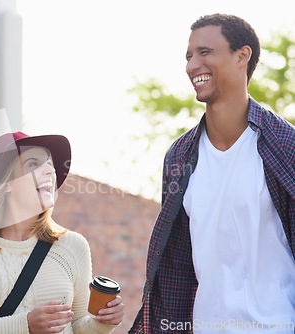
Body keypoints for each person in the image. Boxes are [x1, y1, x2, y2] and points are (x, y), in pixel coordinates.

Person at [130, 13, 295, 334]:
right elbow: (178, 262)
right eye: (189, 56)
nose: (192, 65)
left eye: (205, 53)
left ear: (241, 56)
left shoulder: (286, 145)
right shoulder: (179, 156)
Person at [0, 131, 125, 333]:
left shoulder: (74, 246)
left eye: (50, 164)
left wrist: (103, 322)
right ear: (7, 184)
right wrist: (25, 325)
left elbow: (78, 326)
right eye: (33, 164)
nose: (50, 170)